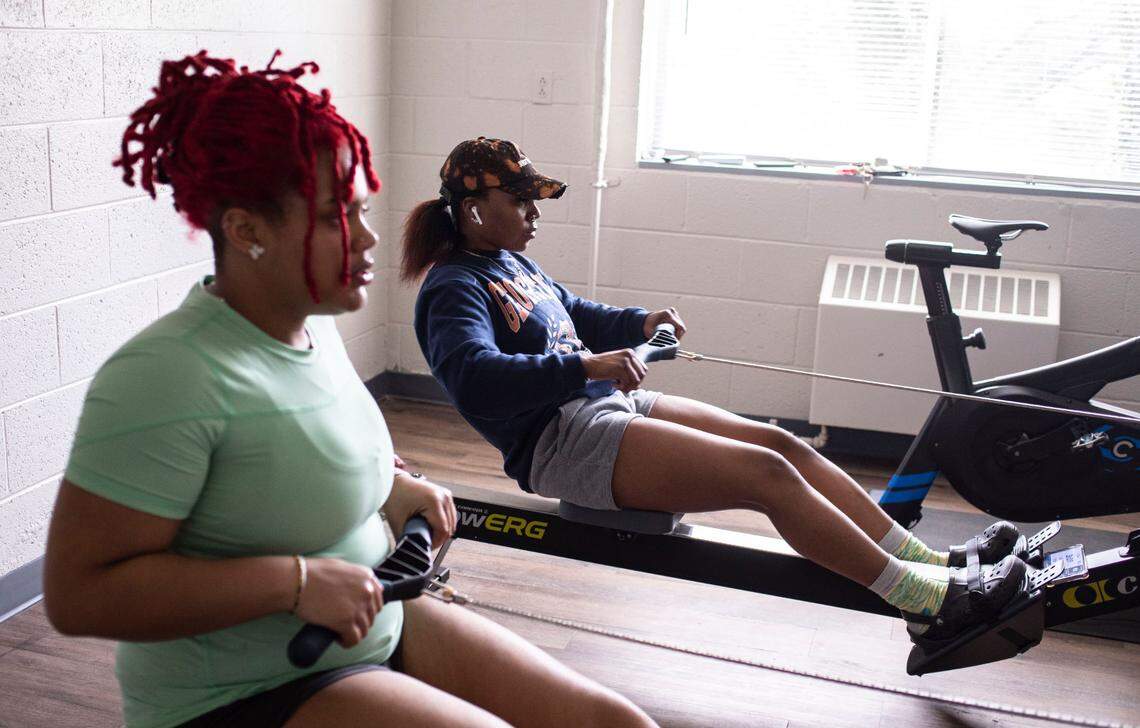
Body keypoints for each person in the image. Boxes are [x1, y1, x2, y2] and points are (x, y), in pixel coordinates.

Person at [43, 55, 655, 728]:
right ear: (246, 230)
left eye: (360, 209)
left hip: (376, 628)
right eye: (338, 216)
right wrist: (296, 584)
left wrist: (395, 488)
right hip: (248, 693)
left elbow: (294, 461)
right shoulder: (165, 376)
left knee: (612, 722)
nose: (368, 238)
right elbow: (80, 596)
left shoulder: (310, 332)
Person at [403, 137, 1032, 657]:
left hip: (601, 407)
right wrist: (584, 365)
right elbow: (475, 378)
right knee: (765, 475)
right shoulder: (452, 287)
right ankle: (928, 605)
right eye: (520, 201)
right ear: (474, 206)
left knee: (781, 444)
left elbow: (571, 311)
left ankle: (930, 564)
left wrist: (637, 323)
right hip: (560, 443)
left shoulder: (513, 264)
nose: (535, 214)